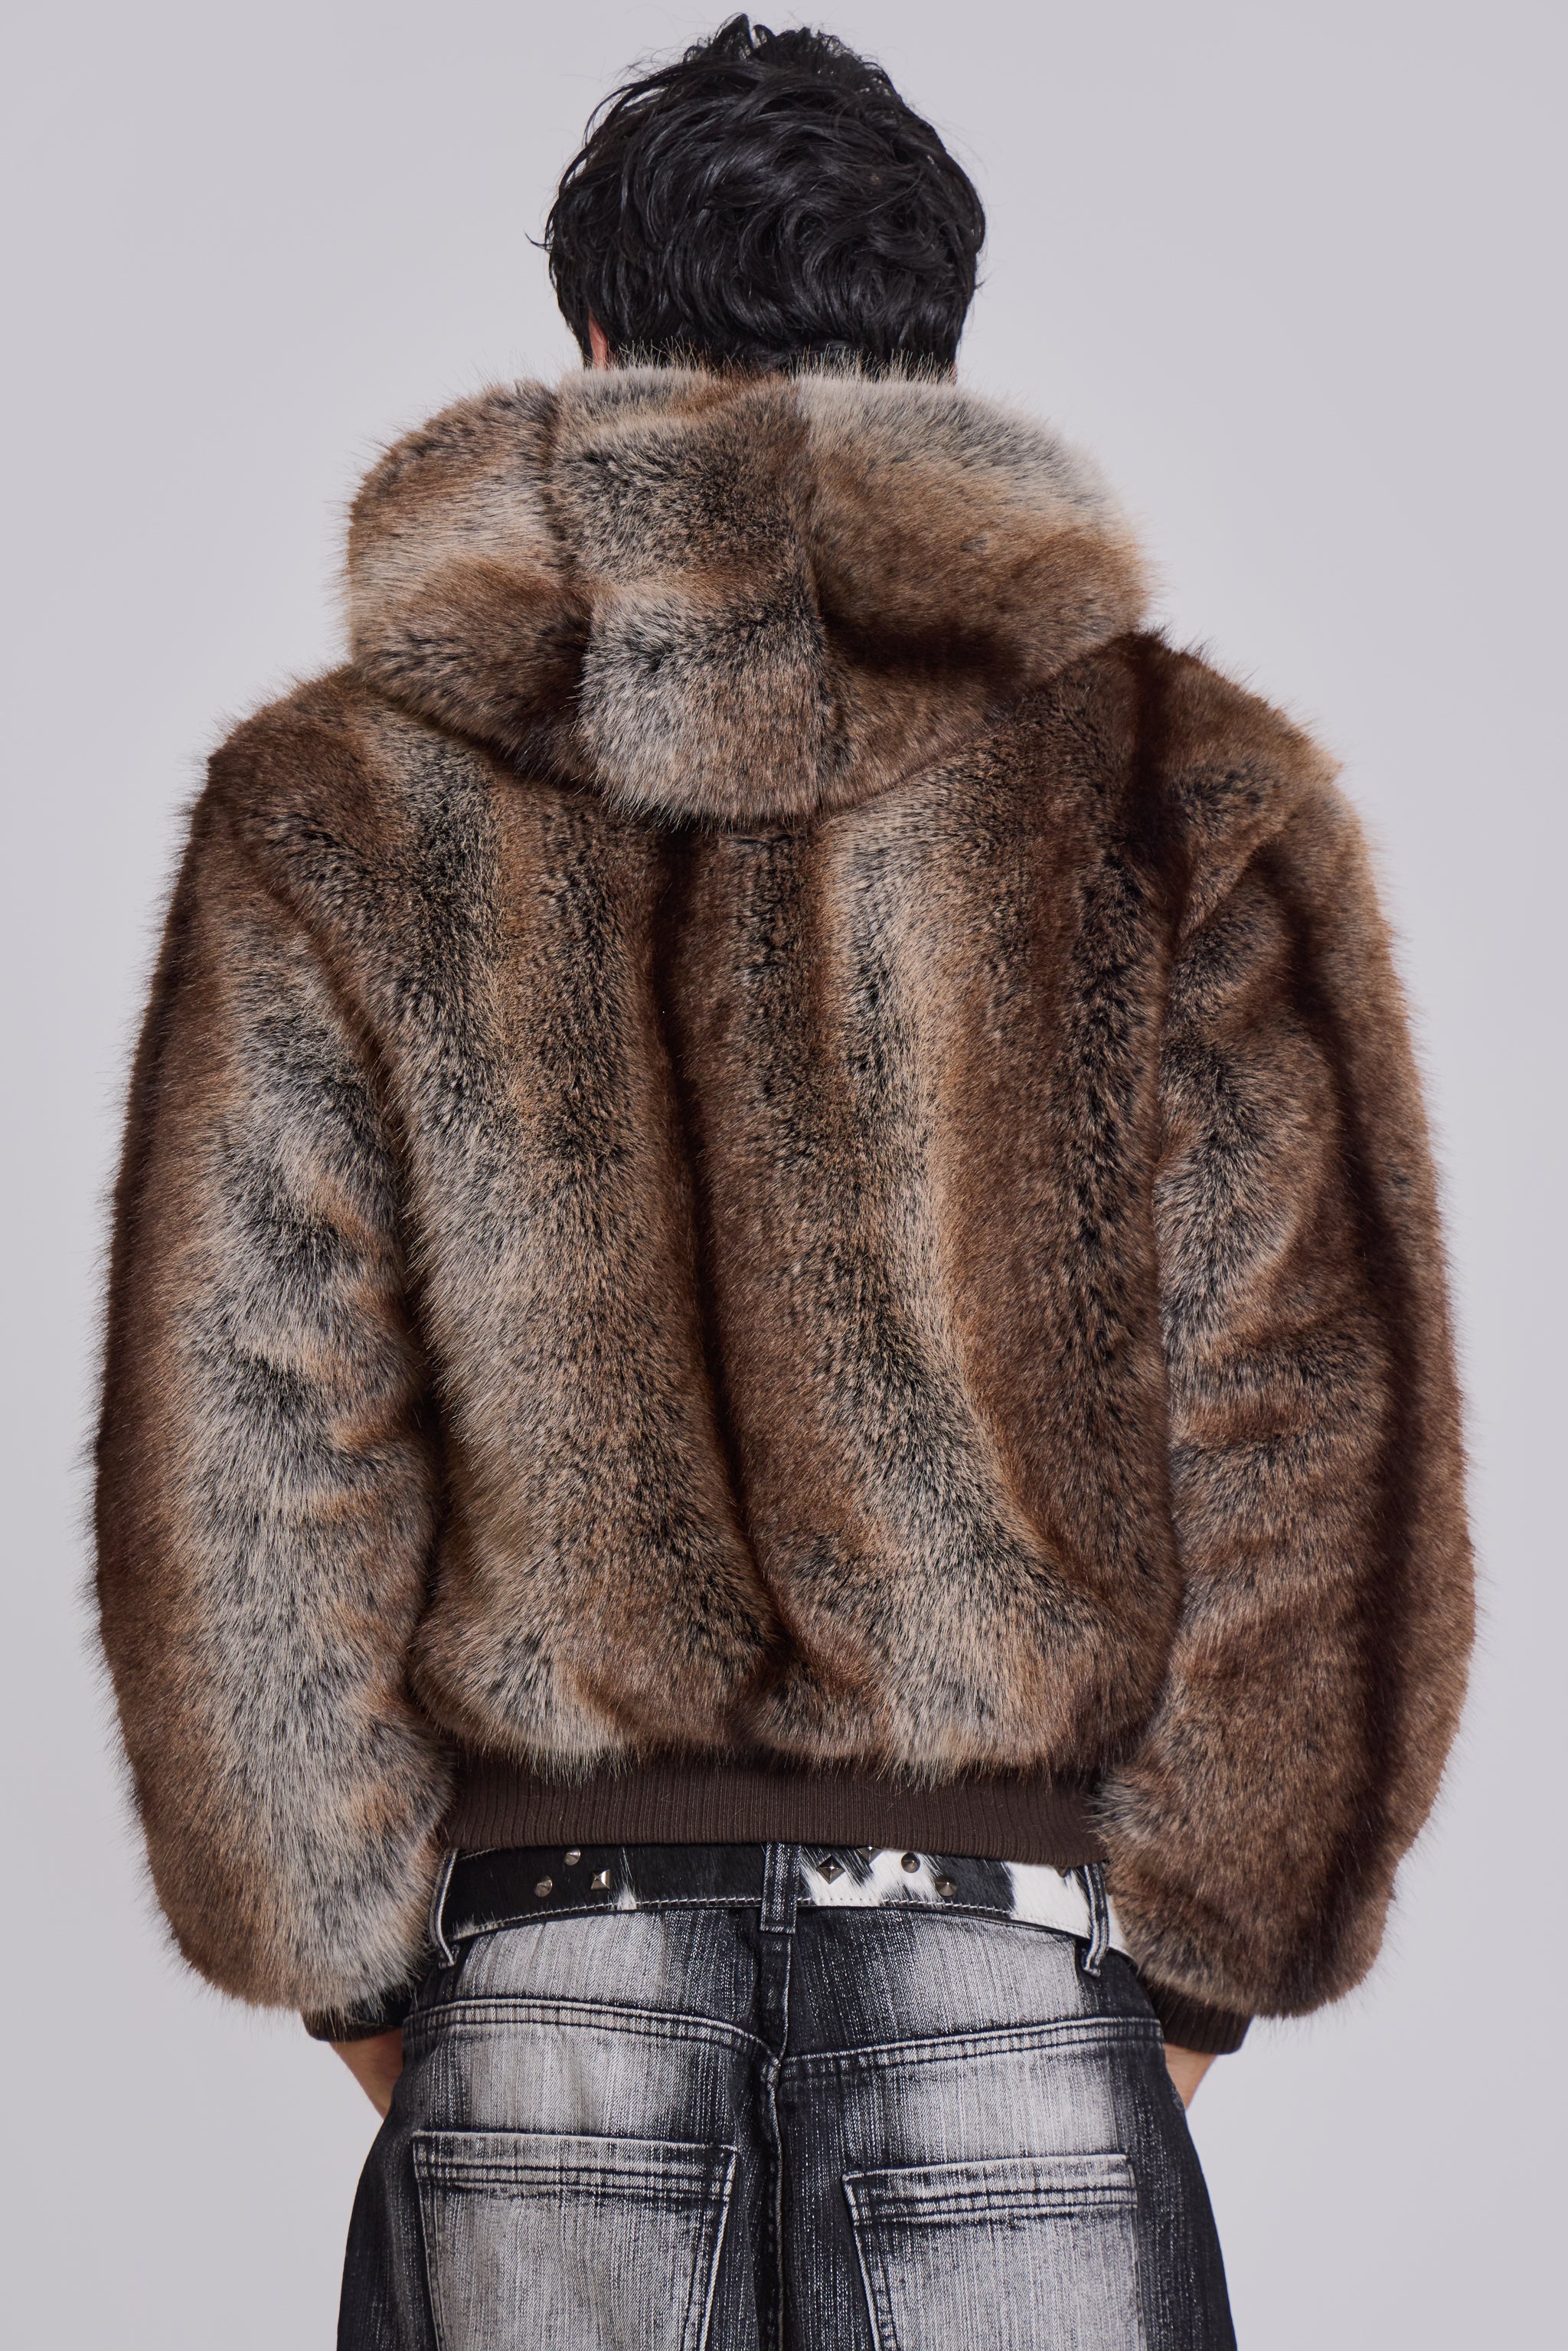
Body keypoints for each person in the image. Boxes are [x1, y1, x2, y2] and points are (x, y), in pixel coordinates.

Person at [94, 17, 1473, 2348]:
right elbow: (1309, 1421)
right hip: (1010, 1985)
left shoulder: (333, 807)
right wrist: (1188, 1985)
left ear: (592, 345)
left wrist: (362, 1984)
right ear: (937, 352)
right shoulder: (1182, 792)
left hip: (543, 1980)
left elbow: (250, 1436)